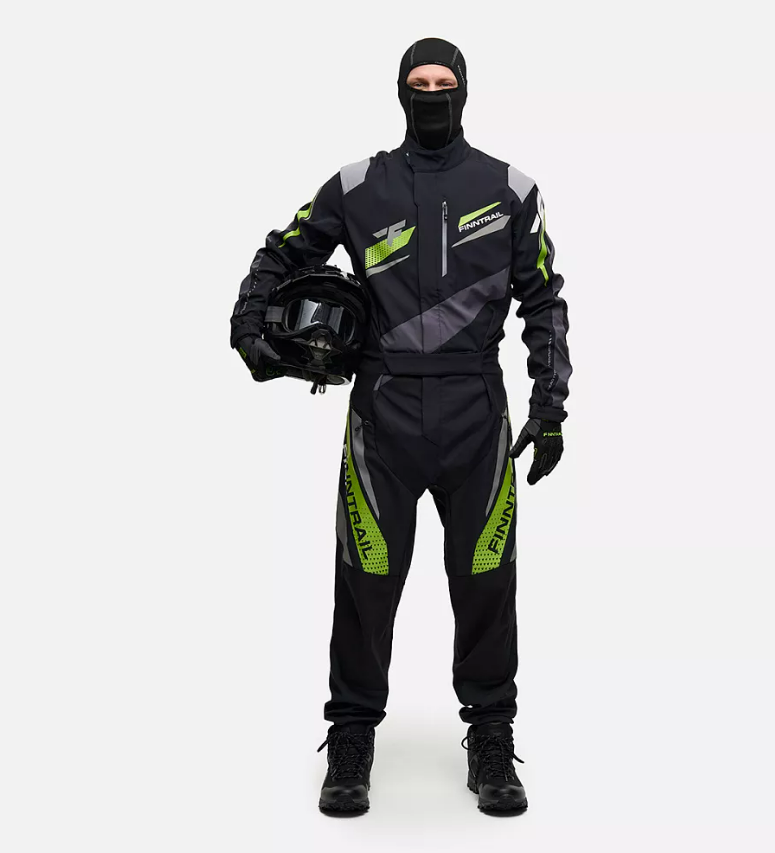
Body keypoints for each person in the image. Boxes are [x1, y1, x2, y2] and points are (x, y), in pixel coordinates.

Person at [230, 37, 571, 815]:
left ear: (464, 91)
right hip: (381, 412)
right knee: (366, 575)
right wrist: (249, 324)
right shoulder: (357, 186)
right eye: (419, 81)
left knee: (487, 578)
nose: (432, 92)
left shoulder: (511, 189)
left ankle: (492, 736)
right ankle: (351, 737)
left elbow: (545, 297)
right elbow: (281, 251)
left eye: (444, 81)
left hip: (476, 413)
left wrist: (550, 407)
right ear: (400, 92)